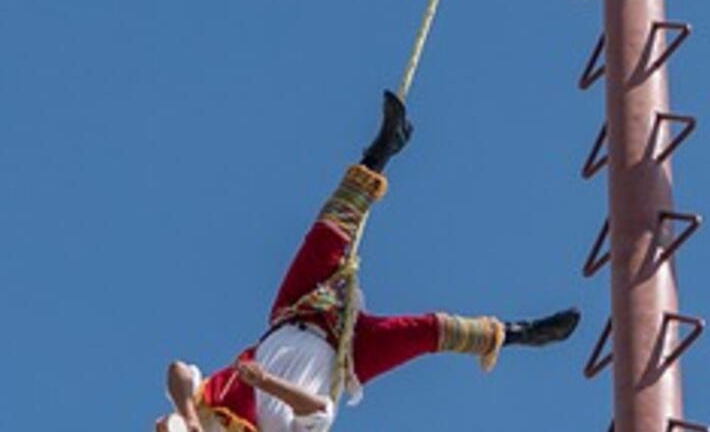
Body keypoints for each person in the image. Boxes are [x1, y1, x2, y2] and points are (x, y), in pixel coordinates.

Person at [155, 91, 580, 432]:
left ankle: (383, 149)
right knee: (427, 331)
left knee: (328, 232)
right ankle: (520, 334)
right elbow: (317, 406)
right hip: (349, 355)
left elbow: (177, 371)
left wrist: (191, 420)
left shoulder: (213, 408)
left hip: (294, 311)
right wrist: (265, 383)